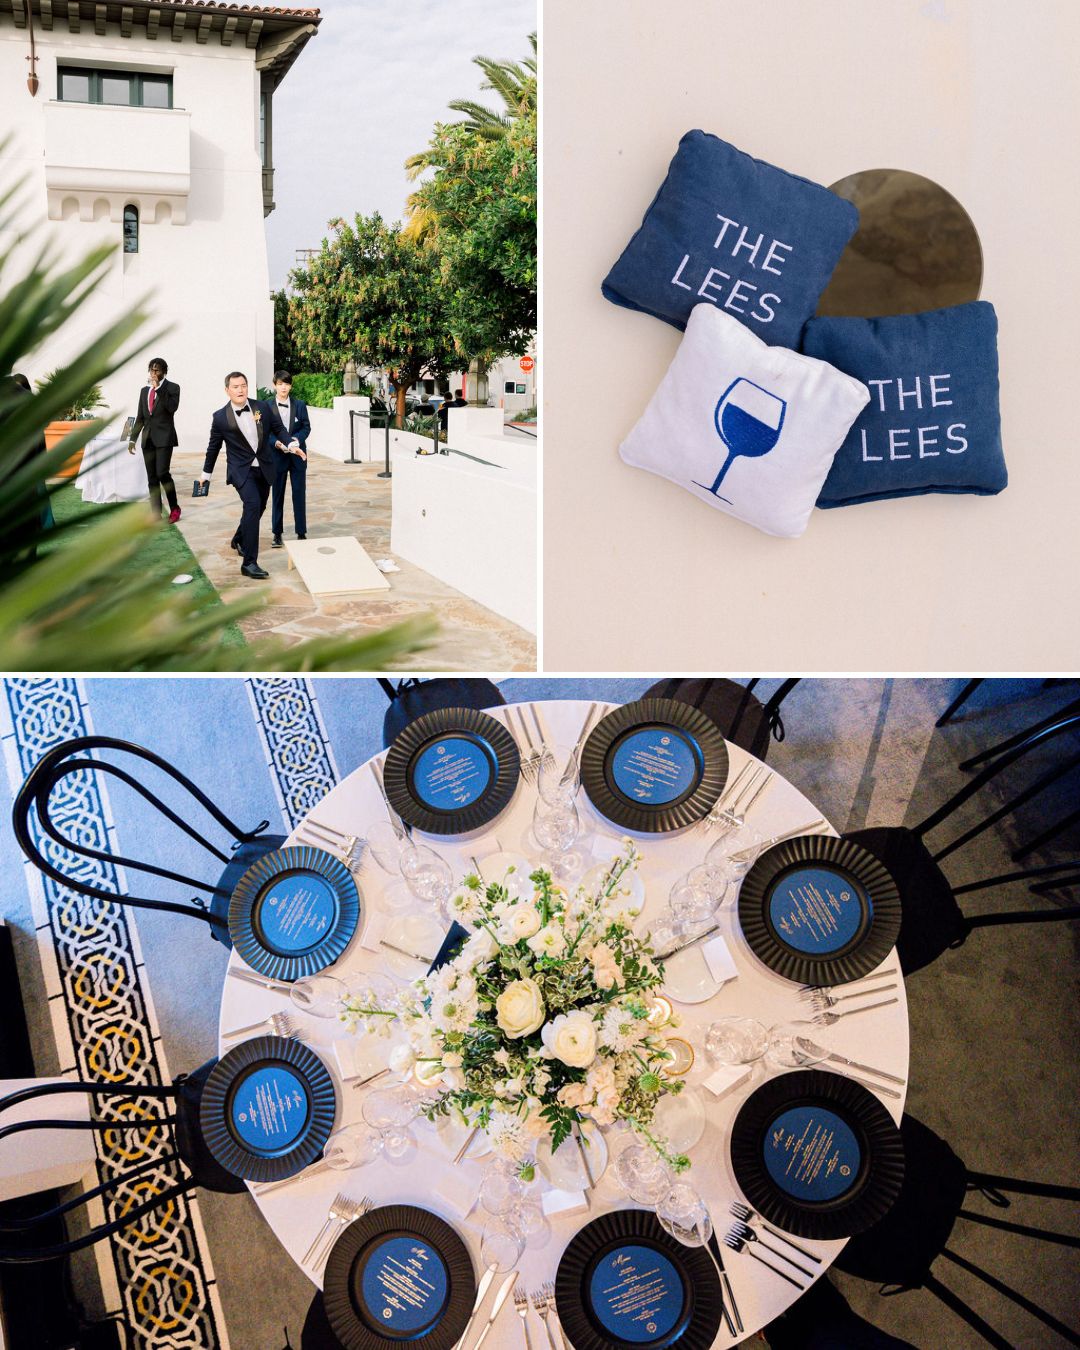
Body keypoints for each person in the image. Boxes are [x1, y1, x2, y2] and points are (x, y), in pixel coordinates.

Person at [198, 371, 294, 579]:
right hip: (241, 471)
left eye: (243, 385)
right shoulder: (220, 417)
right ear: (227, 390)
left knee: (259, 507)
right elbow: (213, 448)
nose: (240, 390)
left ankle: (239, 538)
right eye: (235, 387)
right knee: (252, 505)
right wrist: (206, 474)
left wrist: (292, 443)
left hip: (265, 467)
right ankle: (249, 563)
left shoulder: (262, 407)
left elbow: (278, 428)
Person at [128, 357, 181, 522]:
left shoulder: (172, 388)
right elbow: (140, 417)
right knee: (152, 478)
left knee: (162, 473)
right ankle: (155, 512)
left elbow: (171, 408)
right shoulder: (144, 391)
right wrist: (132, 439)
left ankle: (174, 508)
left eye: (157, 370)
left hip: (165, 437)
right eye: (151, 370)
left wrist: (158, 389)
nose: (153, 373)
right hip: (148, 439)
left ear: (164, 371)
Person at [268, 369, 311, 547]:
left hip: (298, 457)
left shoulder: (299, 405)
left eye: (286, 384)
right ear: (274, 385)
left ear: (290, 386)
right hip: (277, 457)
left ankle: (301, 532)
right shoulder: (266, 406)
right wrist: (279, 444)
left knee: (299, 493)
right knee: (277, 495)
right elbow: (266, 433)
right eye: (280, 384)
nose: (283, 387)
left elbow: (306, 427)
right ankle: (277, 533)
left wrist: (297, 439)